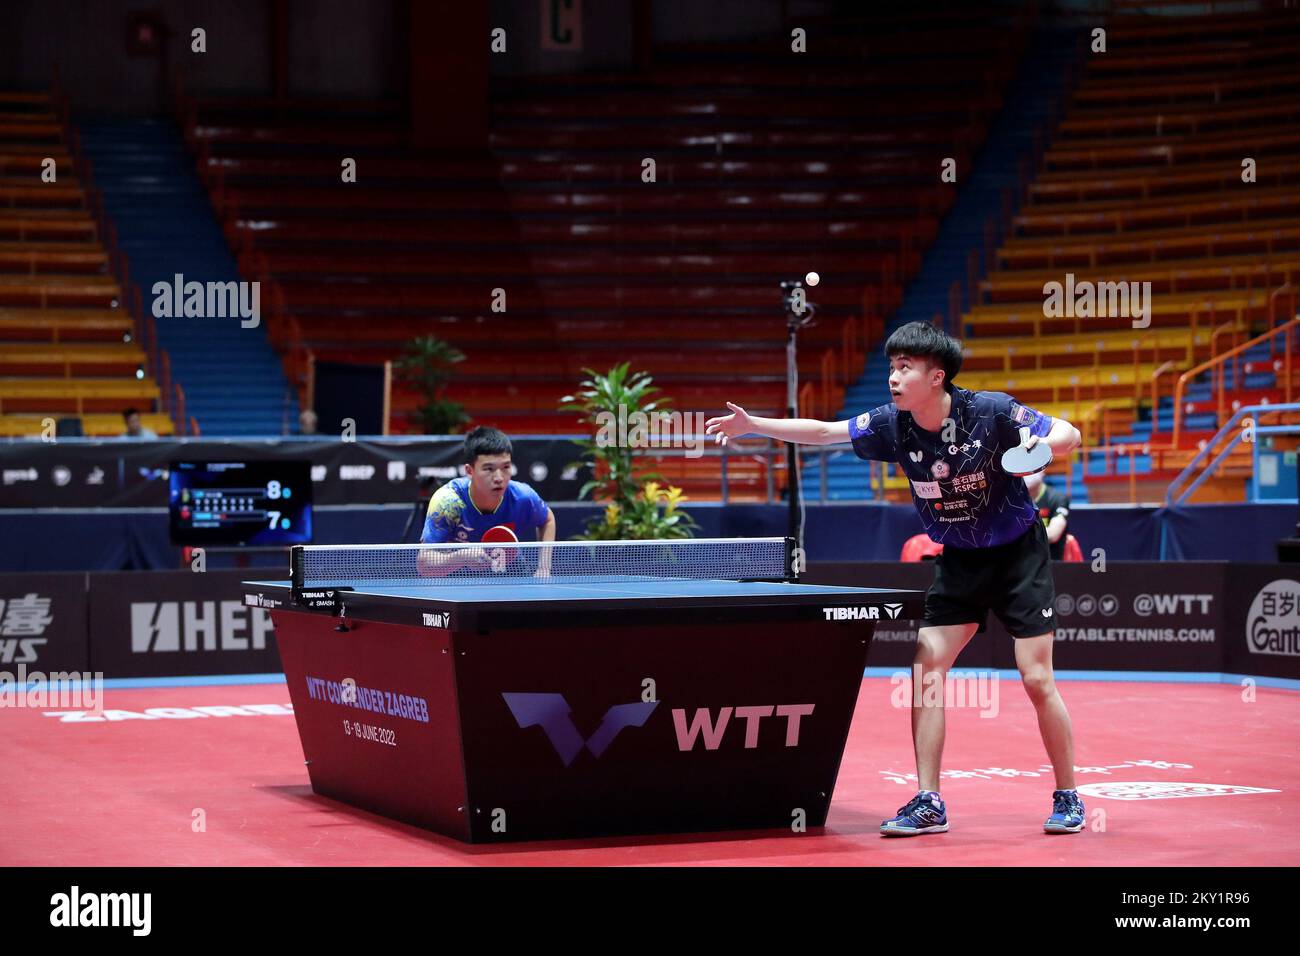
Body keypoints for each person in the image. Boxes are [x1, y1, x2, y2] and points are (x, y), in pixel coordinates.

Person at [706, 321, 1087, 835]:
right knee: (927, 670)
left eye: (905, 367)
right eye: (892, 366)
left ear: (937, 377)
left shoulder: (990, 411)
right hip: (958, 558)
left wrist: (1045, 449)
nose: (893, 376)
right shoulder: (893, 424)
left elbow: (1069, 433)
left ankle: (1069, 796)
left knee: (1036, 677)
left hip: (1018, 554)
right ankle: (929, 801)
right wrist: (756, 426)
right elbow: (824, 432)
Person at [417, 426, 556, 576]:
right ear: (469, 471)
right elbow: (423, 565)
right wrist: (461, 558)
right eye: (489, 469)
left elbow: (547, 520)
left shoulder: (523, 497)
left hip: (511, 574)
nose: (499, 478)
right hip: (458, 578)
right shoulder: (448, 502)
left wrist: (544, 568)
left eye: (506, 467)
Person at [1024, 470, 1069, 560]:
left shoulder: (1058, 498)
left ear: (1042, 470)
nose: (1028, 474)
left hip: (1051, 563)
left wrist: (1018, 537)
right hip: (1021, 564)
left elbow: (1053, 534)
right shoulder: (1012, 500)